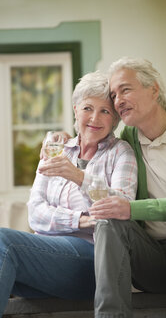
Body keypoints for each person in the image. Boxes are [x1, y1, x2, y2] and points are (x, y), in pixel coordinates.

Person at [87, 58, 166, 318]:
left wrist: (131, 208)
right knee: (107, 220)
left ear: (154, 90)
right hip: (153, 261)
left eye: (125, 89)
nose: (118, 100)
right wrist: (65, 137)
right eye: (114, 95)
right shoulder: (125, 142)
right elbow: (92, 142)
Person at [0, 71, 138, 317]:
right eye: (88, 108)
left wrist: (78, 176)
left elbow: (122, 204)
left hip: (92, 261)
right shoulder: (56, 149)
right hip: (45, 258)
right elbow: (35, 213)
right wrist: (81, 220)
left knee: (4, 242)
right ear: (76, 110)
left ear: (115, 119)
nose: (95, 118)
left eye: (105, 111)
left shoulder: (120, 153)